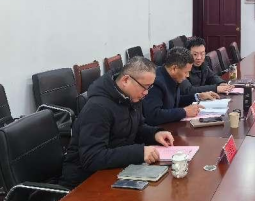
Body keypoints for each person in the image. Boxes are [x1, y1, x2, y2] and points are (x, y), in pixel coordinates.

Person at [59, 57, 174, 189]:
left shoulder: (132, 97)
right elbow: (92, 158)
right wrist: (139, 152)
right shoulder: (97, 108)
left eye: (149, 87)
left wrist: (155, 134)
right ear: (126, 80)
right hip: (84, 182)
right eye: (145, 87)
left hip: (115, 171)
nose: (146, 92)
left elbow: (138, 127)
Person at [142, 47, 220, 125]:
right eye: (186, 72)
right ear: (174, 68)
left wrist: (198, 96)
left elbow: (173, 100)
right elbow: (153, 115)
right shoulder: (155, 82)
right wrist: (184, 112)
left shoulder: (172, 76)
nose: (187, 75)